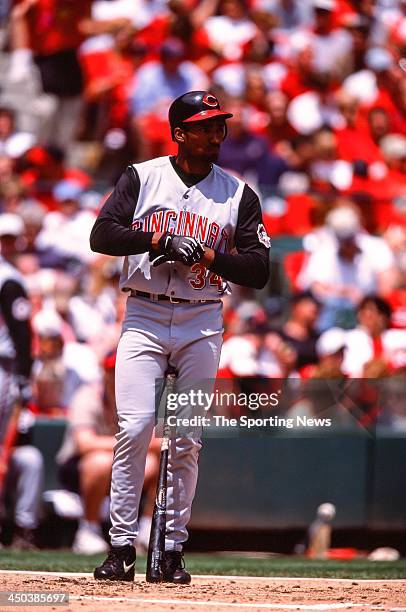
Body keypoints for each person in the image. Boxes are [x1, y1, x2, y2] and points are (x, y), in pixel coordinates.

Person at [90, 91, 270, 583]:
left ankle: (171, 549)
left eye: (220, 126)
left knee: (187, 437)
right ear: (180, 133)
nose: (216, 134)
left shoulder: (237, 193)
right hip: (145, 314)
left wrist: (209, 257)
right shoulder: (143, 176)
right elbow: (101, 235)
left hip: (202, 320)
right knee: (133, 430)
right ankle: (122, 546)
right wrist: (156, 239)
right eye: (205, 126)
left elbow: (258, 270)